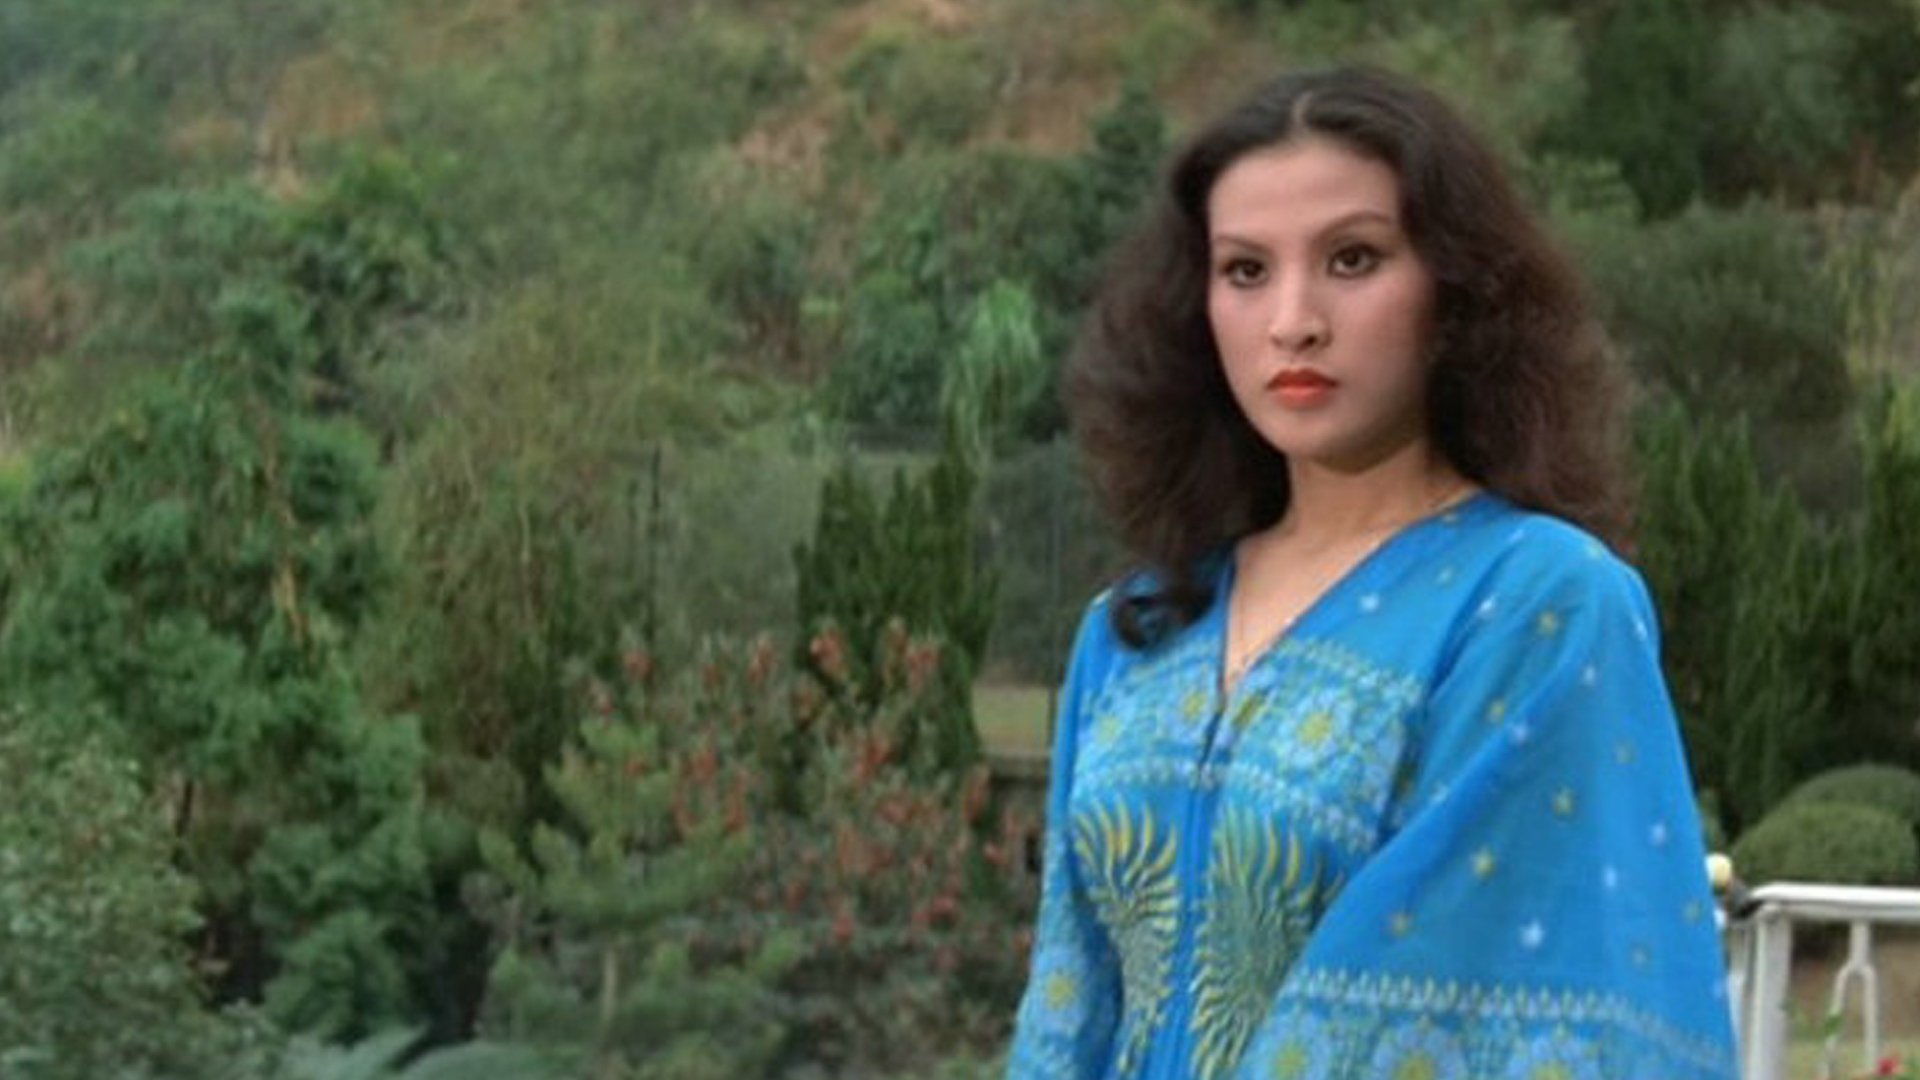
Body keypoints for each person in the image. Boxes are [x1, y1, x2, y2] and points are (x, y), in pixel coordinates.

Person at [1005, 67, 1738, 1079]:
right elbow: (1069, 1000)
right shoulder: (1139, 626)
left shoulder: (1535, 602)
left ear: (1455, 288)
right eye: (1245, 270)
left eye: (1352, 259)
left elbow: (1525, 991)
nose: (1293, 320)